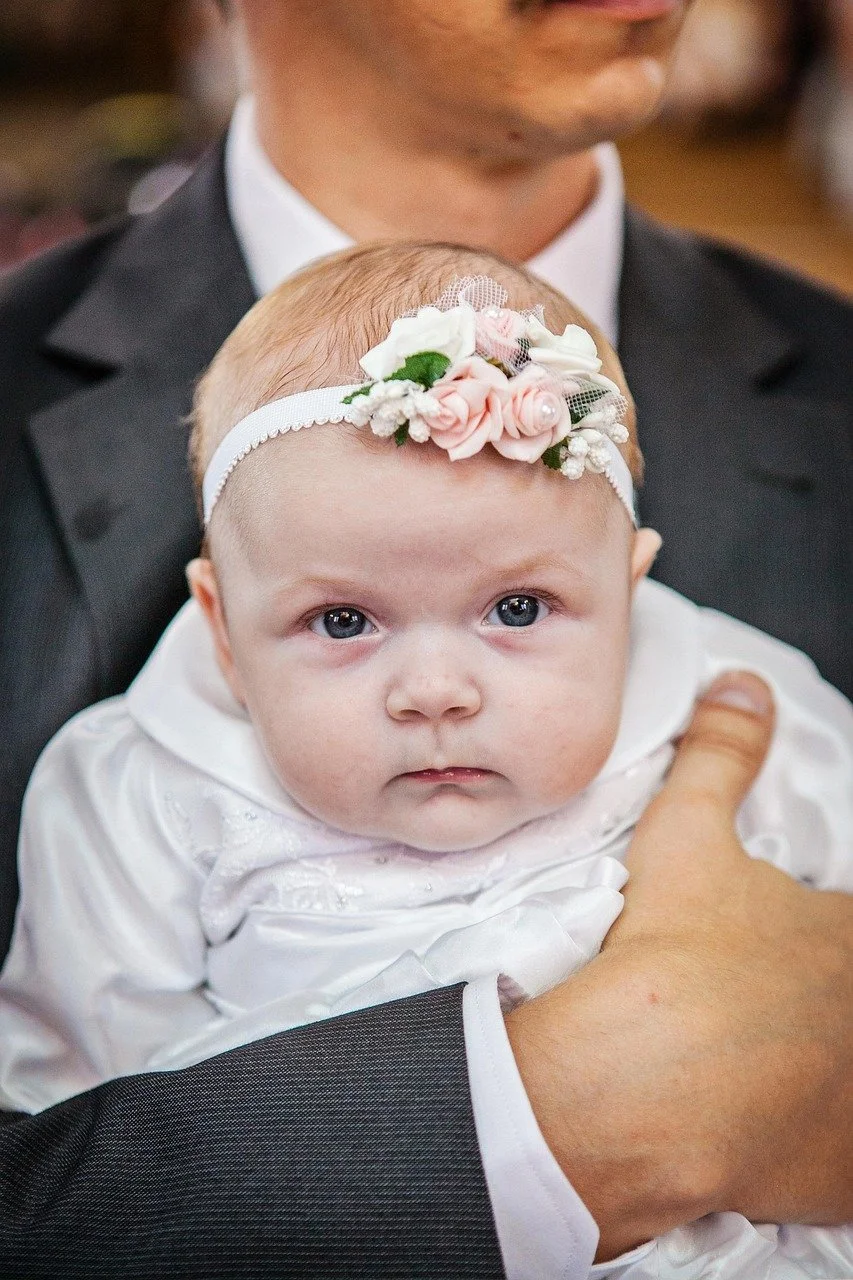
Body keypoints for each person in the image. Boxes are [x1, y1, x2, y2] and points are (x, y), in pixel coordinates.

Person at [0, 0, 850, 1275]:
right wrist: (555, 1119)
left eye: (521, 608)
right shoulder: (136, 786)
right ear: (221, 627)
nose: (439, 687)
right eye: (341, 620)